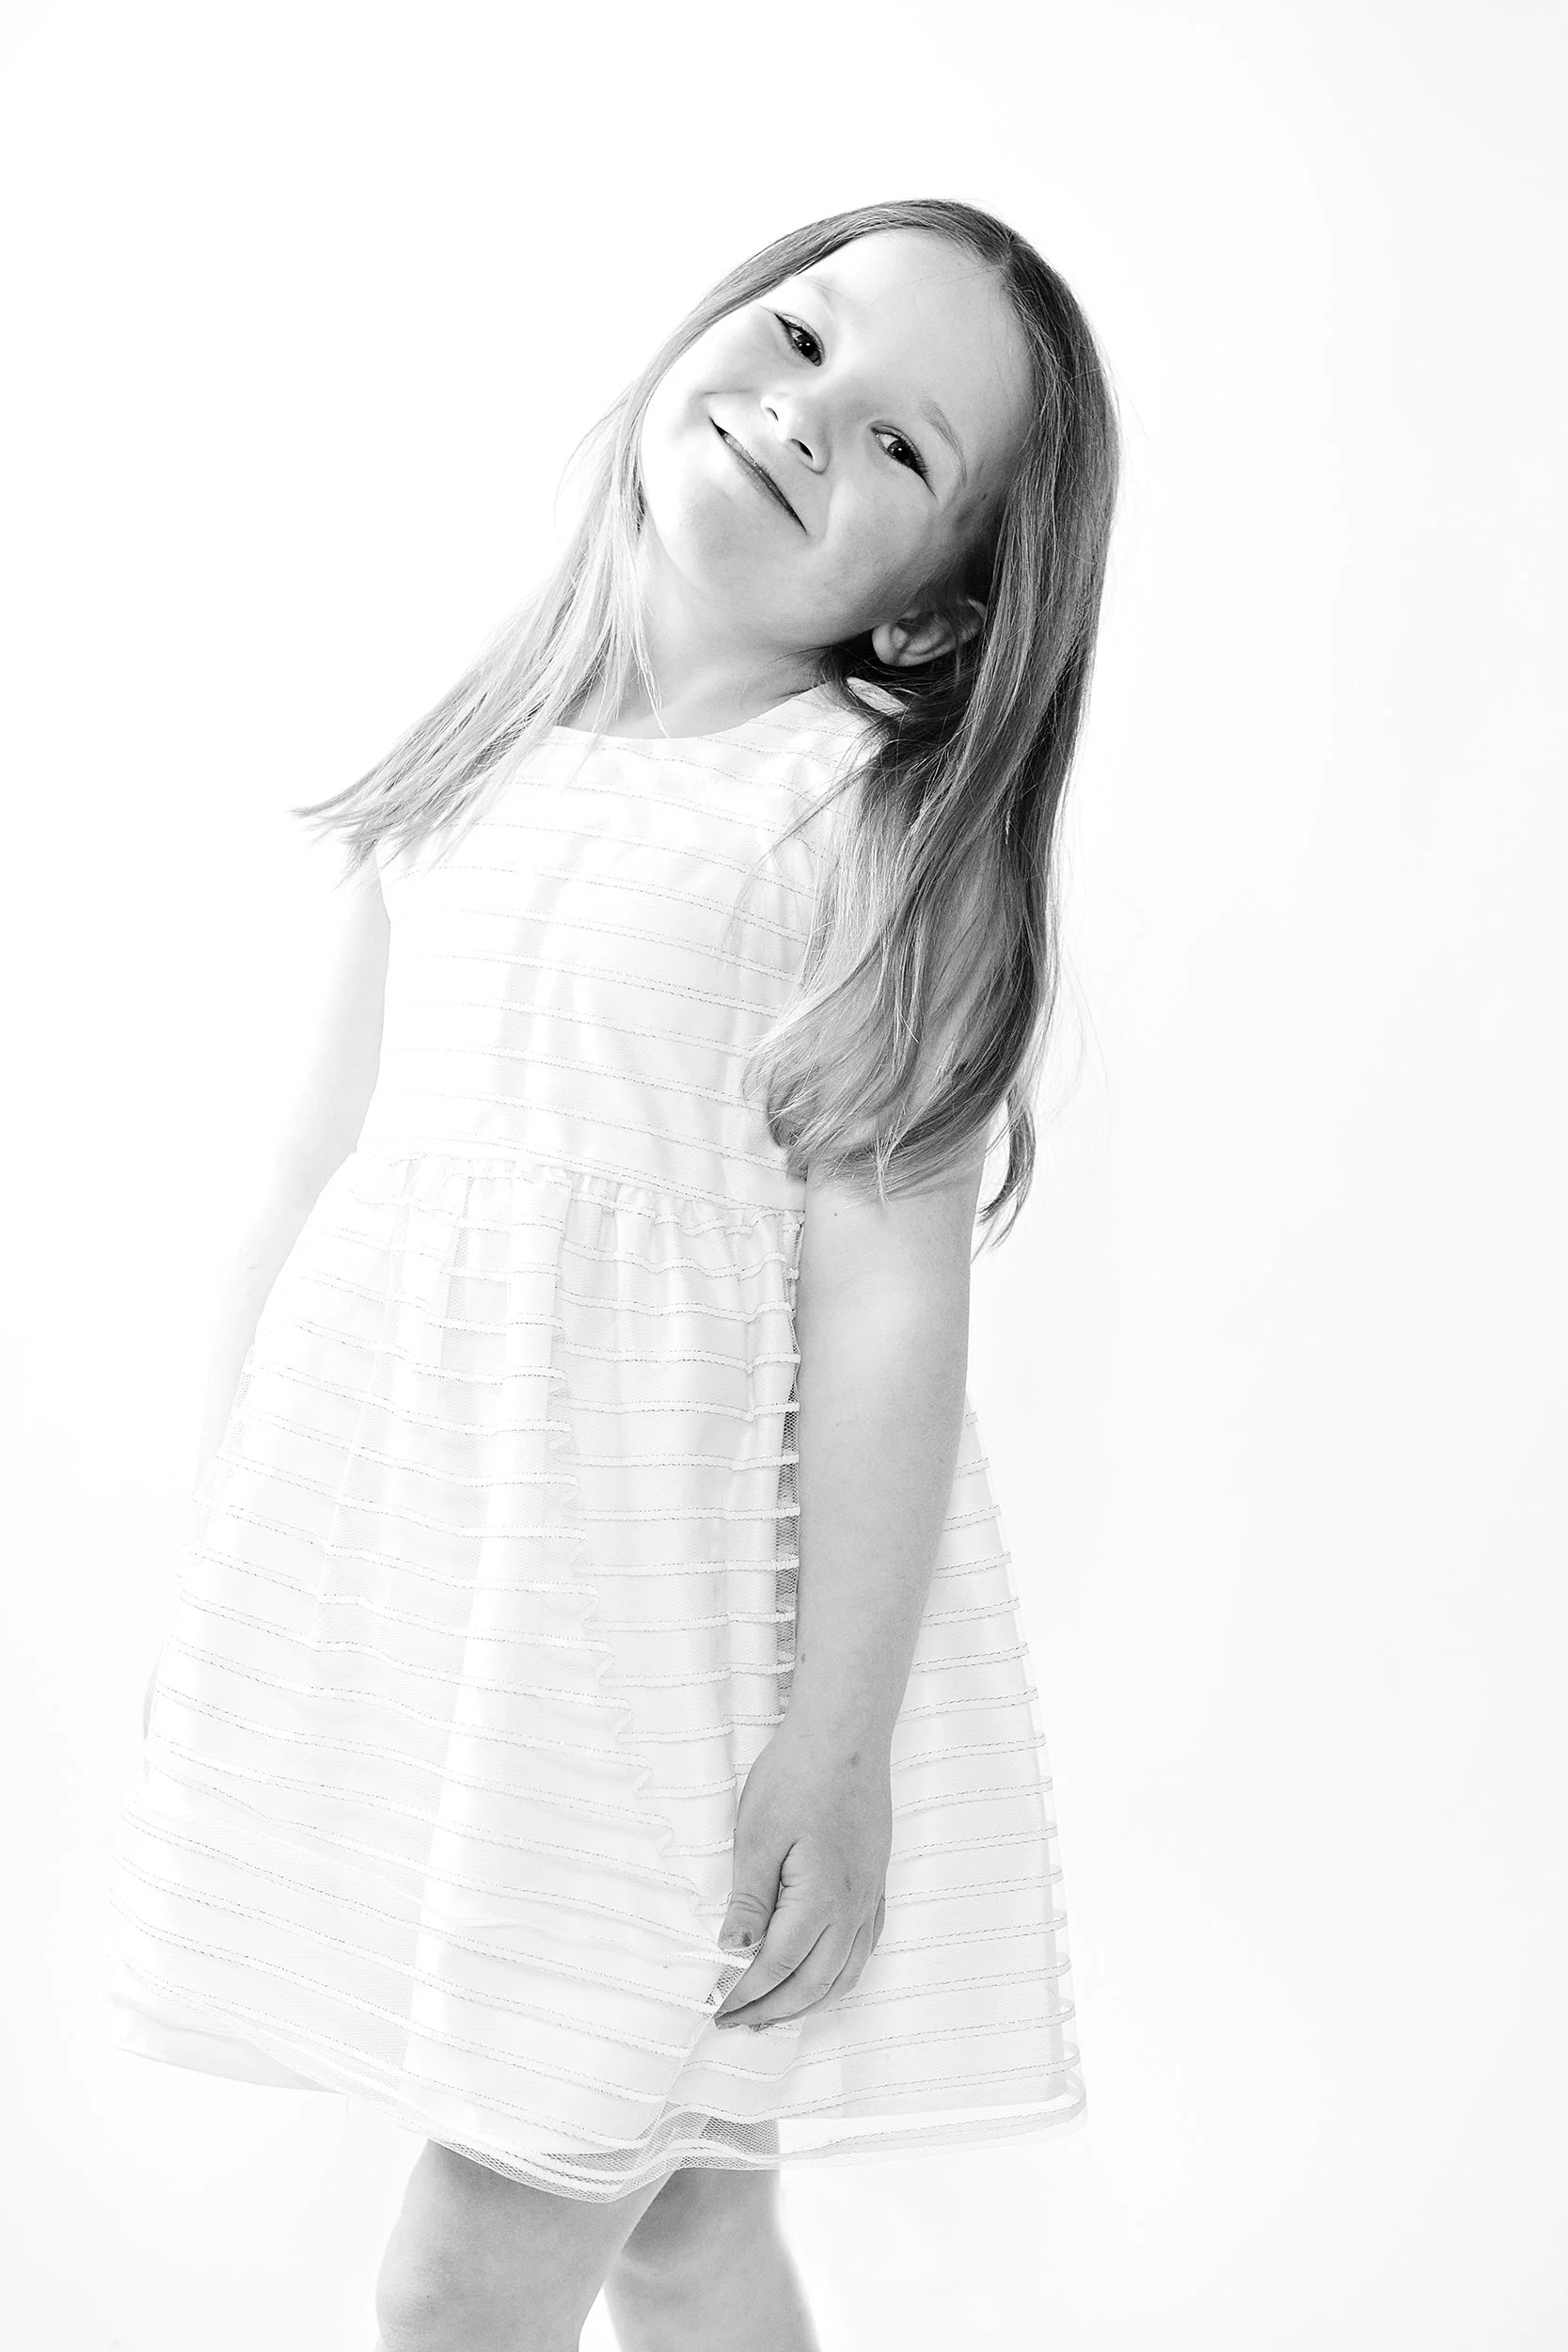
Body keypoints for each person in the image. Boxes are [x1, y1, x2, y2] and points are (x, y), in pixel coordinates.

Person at [104, 196, 1121, 2352]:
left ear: (940, 619)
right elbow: (317, 1175)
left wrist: (827, 1751)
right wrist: (228, 1570)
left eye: (899, 447)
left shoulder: (849, 831)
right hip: (460, 1635)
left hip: (668, 1679)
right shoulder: (481, 750)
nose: (804, 420)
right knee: (670, 2222)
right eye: (798, 338)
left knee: (467, 2266)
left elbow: (885, 1304)